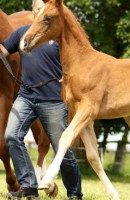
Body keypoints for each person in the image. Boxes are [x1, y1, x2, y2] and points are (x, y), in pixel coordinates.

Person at [0, 1, 83, 199]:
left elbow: (75, 61)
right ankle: (29, 187)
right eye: (36, 8)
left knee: (62, 148)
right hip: (26, 97)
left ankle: (75, 193)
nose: (39, 11)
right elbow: (3, 51)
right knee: (11, 136)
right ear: (33, 10)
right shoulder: (22, 33)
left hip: (52, 100)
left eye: (42, 8)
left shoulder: (58, 37)